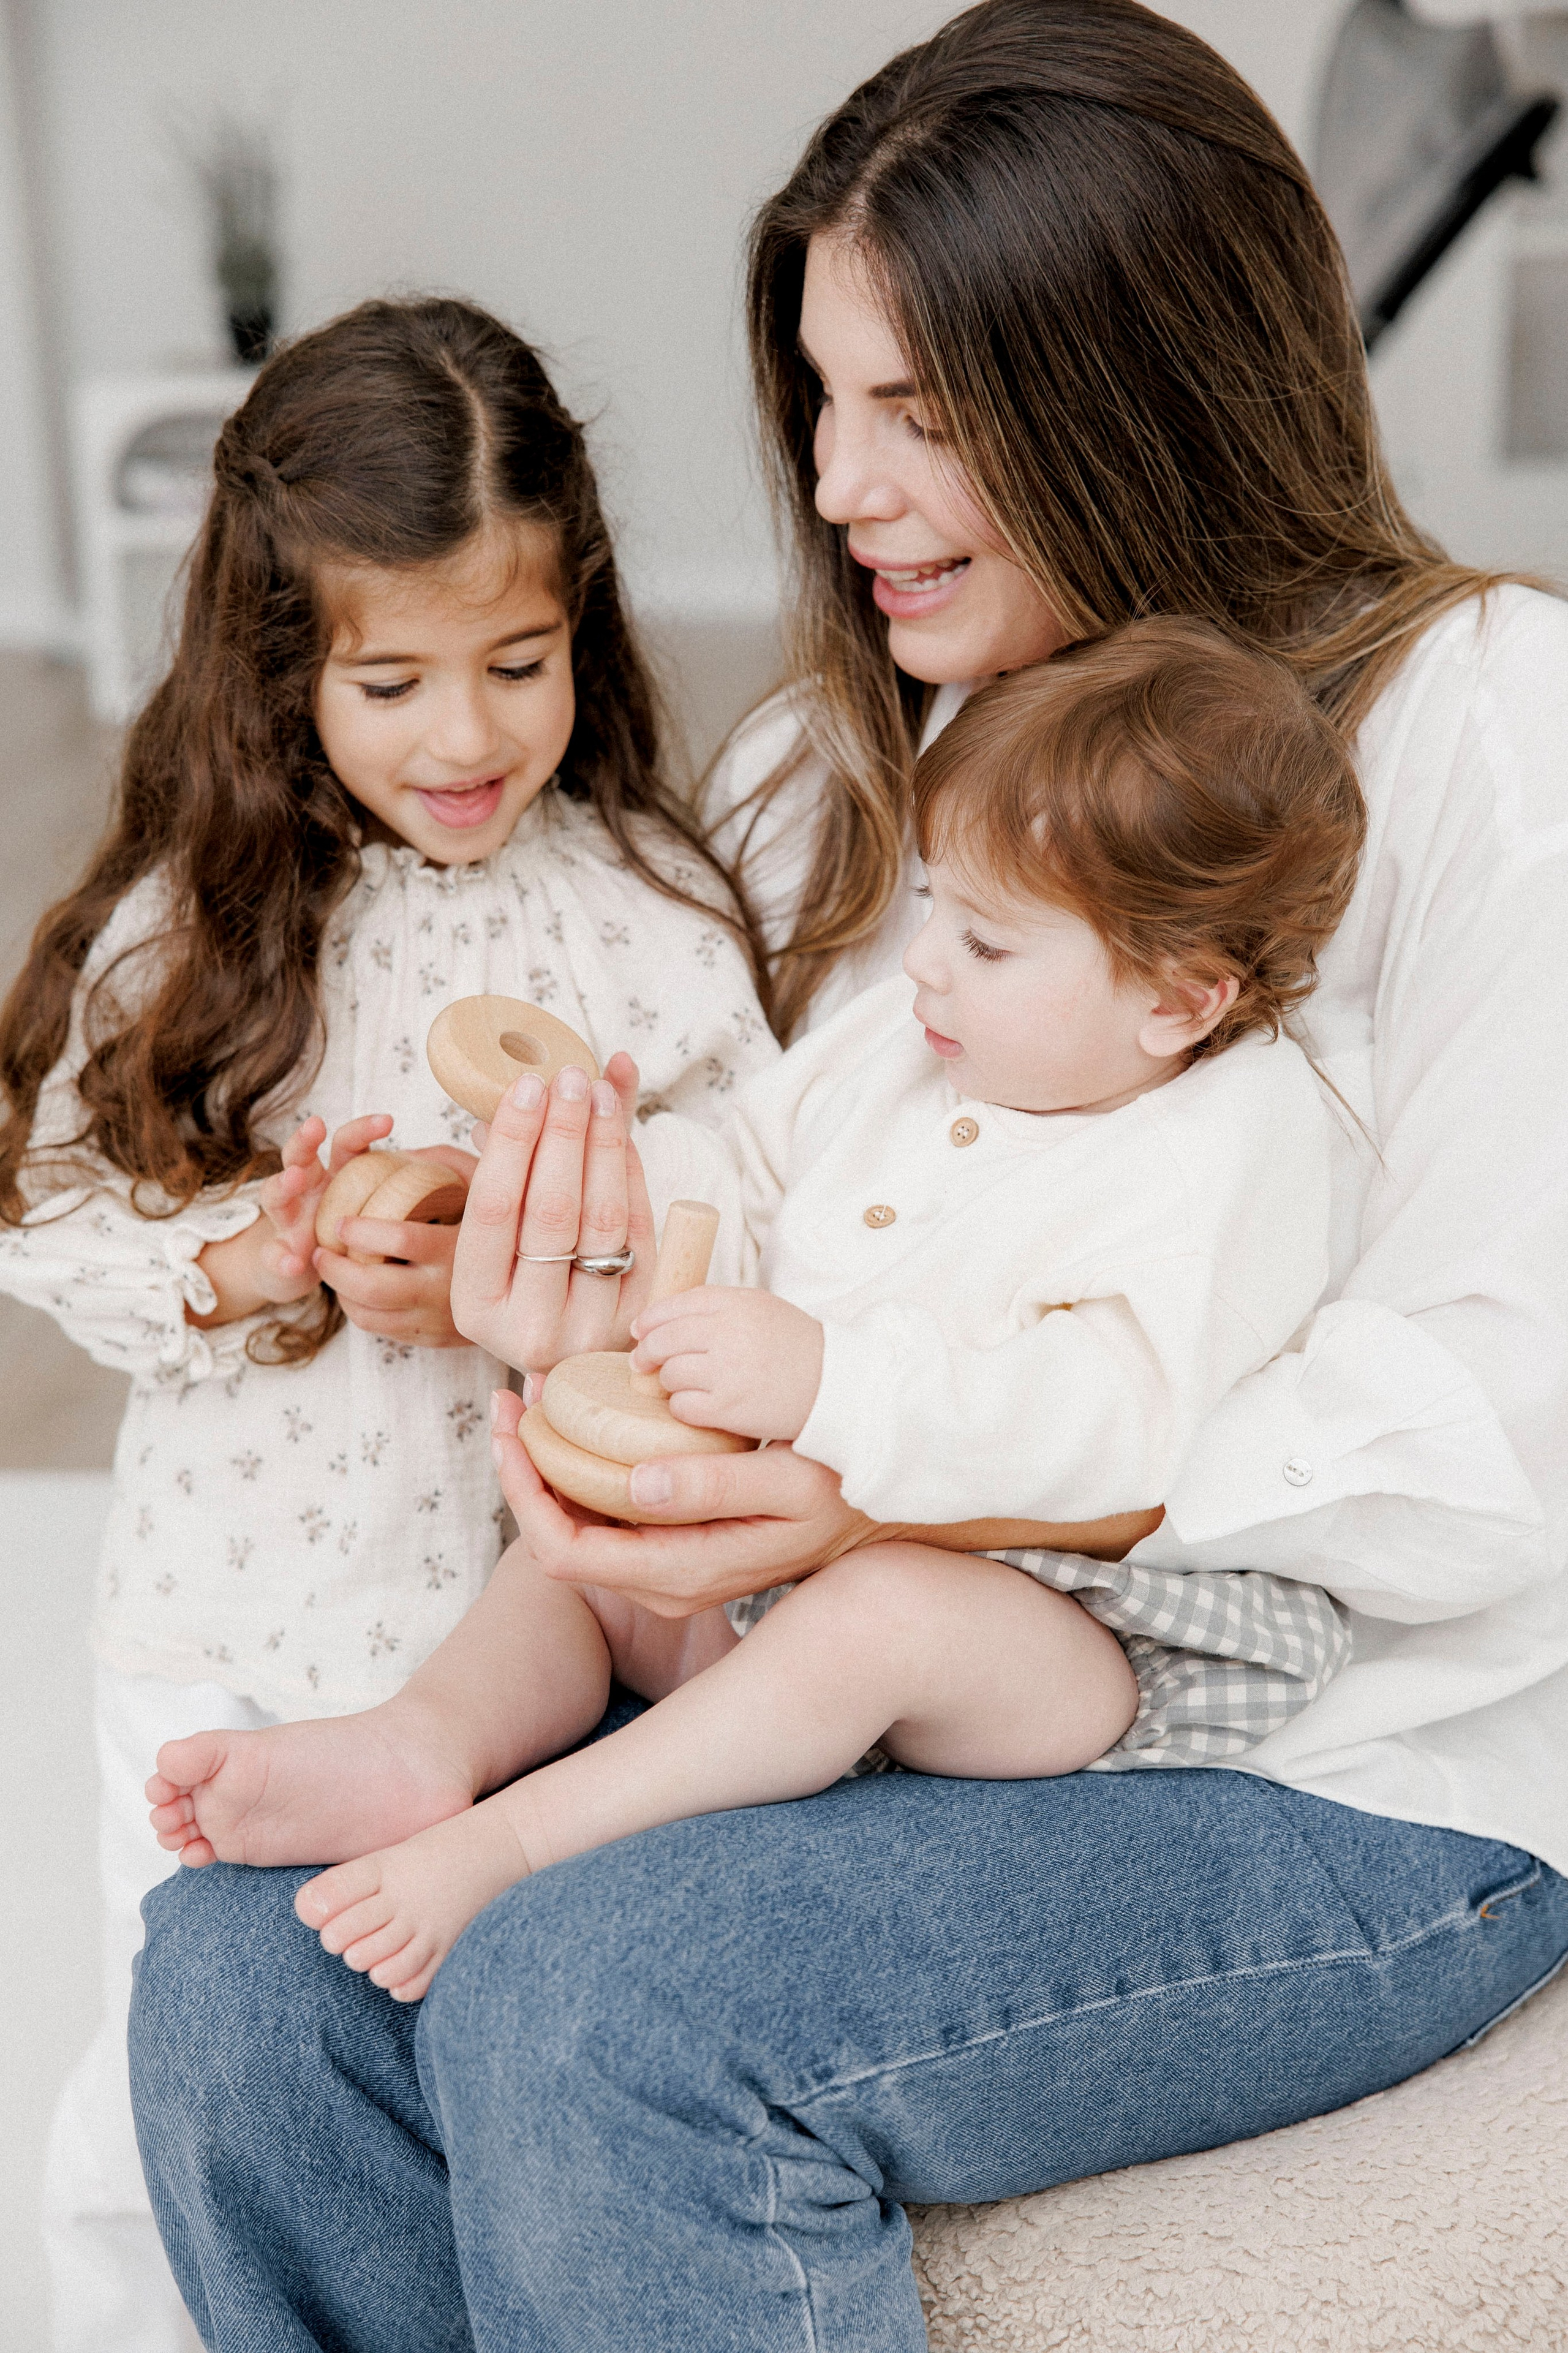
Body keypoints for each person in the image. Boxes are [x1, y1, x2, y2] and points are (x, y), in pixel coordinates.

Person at [128, 7, 1568, 2351]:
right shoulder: (846, 766)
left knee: (602, 2001)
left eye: (923, 411)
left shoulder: (1494, 721)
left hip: (1335, 1756)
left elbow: (1502, 1442)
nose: (840, 483)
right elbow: (751, 1215)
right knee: (240, 1972)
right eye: (821, 398)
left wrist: (885, 1479)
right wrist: (556, 1277)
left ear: (1140, 392)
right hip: (847, 1669)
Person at [143, 618, 1364, 2007]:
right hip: (792, 1563)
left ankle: (519, 1837)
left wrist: (833, 1378)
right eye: (931, 906)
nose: (924, 964)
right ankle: (424, 1739)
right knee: (585, 1544)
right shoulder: (913, 1043)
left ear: (1179, 1000)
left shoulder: (1229, 1143)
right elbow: (743, 1165)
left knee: (882, 1616)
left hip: (1068, 1619)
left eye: (985, 940)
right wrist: (608, 1186)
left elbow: (1116, 1417)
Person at [0, 295, 774, 2353]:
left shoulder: (643, 910)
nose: (465, 738)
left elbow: (752, 1178)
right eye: (392, 679)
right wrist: (253, 1262)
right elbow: (52, 1213)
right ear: (286, 668)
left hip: (510, 1632)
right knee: (173, 2069)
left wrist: (557, 1247)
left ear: (583, 625)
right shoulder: (203, 926)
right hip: (231, 1599)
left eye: (516, 664)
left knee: (449, 2034)